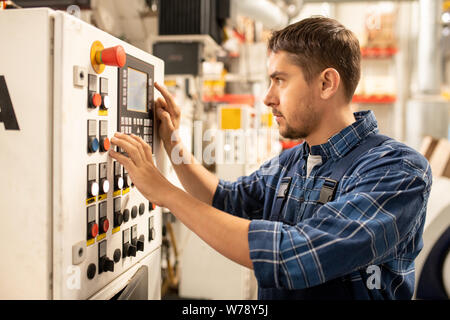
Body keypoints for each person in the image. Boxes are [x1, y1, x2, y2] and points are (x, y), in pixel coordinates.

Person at [109, 17, 432, 300]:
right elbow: (223, 198)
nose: (267, 97)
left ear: (326, 83)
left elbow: (294, 256)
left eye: (280, 80)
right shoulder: (292, 164)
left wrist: (165, 193)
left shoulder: (398, 170)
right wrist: (172, 141)